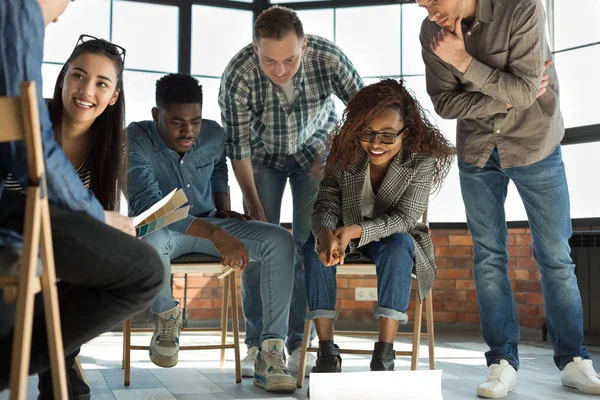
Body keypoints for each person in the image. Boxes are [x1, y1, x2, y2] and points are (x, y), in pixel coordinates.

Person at [417, 0, 600, 397]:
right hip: (477, 151)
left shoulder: (522, 9)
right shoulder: (431, 33)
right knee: (487, 256)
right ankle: (501, 360)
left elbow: (523, 90)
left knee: (555, 256)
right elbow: (446, 103)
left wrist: (464, 64)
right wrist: (509, 94)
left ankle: (572, 360)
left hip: (535, 145)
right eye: (420, 4)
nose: (429, 12)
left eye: (433, 0)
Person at [0, 0, 164, 395]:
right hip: (22, 232)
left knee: (102, 260)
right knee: (132, 271)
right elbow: (28, 164)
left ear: (113, 96)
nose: (86, 90)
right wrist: (97, 215)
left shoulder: (112, 147)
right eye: (77, 76)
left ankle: (60, 369)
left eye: (101, 84)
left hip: (49, 244)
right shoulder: (29, 116)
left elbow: (140, 200)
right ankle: (58, 369)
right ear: (61, 79)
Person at [127, 73, 297, 393]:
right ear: (156, 115)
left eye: (195, 121)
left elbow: (218, 167)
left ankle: (270, 351)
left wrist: (222, 206)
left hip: (209, 221)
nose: (188, 131)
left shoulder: (213, 135)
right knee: (147, 239)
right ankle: (167, 316)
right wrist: (218, 236)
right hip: (161, 230)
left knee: (279, 240)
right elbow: (147, 207)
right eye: (177, 122)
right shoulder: (135, 137)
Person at [218, 5, 365, 377]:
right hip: (261, 158)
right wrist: (254, 207)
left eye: (289, 60)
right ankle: (258, 343)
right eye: (269, 61)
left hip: (316, 155)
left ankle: (300, 343)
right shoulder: (238, 75)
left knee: (307, 245)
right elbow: (237, 149)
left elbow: (365, 111)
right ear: (255, 49)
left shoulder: (327, 58)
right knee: (257, 247)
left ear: (304, 46)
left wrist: (345, 158)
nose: (280, 69)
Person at [304, 78, 453, 374]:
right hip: (344, 234)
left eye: (387, 136)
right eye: (368, 133)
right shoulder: (345, 154)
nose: (375, 144)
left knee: (398, 248)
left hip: (394, 236)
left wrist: (357, 231)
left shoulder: (420, 162)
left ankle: (384, 355)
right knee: (313, 249)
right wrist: (325, 234)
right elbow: (327, 203)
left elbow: (406, 218)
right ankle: (326, 353)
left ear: (405, 133)